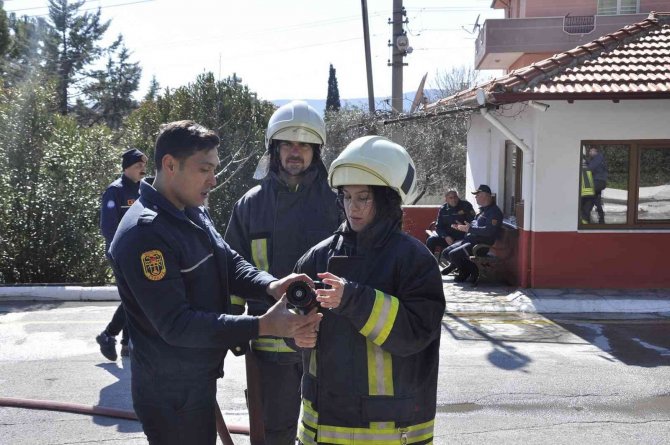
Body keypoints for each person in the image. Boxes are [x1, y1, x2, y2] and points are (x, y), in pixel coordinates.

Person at [107, 120, 321, 445]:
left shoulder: (191, 209)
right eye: (204, 169)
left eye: (214, 168)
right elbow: (177, 325)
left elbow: (229, 262)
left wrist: (271, 285)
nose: (214, 179)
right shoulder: (145, 233)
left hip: (194, 380)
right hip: (170, 394)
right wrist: (262, 325)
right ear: (169, 165)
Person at [292, 135, 445, 444]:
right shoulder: (317, 256)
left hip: (389, 431)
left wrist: (352, 298)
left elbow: (416, 333)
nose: (353, 208)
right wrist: (296, 334)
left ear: (387, 200)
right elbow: (292, 320)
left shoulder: (414, 260)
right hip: (323, 429)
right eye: (347, 197)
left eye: (364, 198)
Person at [224, 100, 341, 444]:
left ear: (316, 151)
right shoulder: (250, 205)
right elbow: (232, 269)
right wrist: (230, 325)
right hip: (269, 348)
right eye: (288, 143)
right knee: (272, 434)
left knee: (329, 431)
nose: (295, 152)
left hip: (327, 342)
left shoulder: (336, 203)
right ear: (274, 149)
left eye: (304, 144)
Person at [96, 148, 147, 361]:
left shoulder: (144, 189)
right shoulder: (114, 191)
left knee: (135, 296)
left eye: (144, 165)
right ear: (127, 168)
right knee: (134, 295)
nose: (142, 169)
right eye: (138, 166)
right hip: (120, 253)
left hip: (141, 252)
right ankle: (109, 335)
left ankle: (126, 343)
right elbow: (108, 227)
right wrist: (122, 250)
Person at [443, 184, 503, 285]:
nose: (476, 197)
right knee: (446, 252)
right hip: (469, 240)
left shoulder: (494, 212)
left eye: (478, 195)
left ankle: (469, 271)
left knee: (454, 254)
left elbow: (489, 231)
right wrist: (463, 227)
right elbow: (474, 225)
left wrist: (470, 229)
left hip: (480, 244)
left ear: (485, 196)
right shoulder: (482, 211)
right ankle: (467, 269)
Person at [424, 190, 475, 273]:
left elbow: (473, 222)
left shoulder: (466, 206)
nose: (453, 199)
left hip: (462, 237)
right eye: (450, 198)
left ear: (458, 197)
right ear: (446, 199)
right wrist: (445, 236)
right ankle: (430, 267)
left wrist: (464, 226)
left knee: (454, 250)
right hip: (448, 237)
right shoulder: (443, 209)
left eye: (455, 197)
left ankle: (455, 265)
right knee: (431, 240)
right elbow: (439, 226)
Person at [581, 146, 608, 224]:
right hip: (598, 182)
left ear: (596, 151)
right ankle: (601, 218)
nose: (589, 153)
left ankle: (585, 218)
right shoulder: (597, 159)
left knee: (586, 198)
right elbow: (591, 164)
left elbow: (590, 167)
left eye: (591, 151)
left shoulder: (599, 157)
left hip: (598, 181)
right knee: (595, 199)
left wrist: (584, 163)